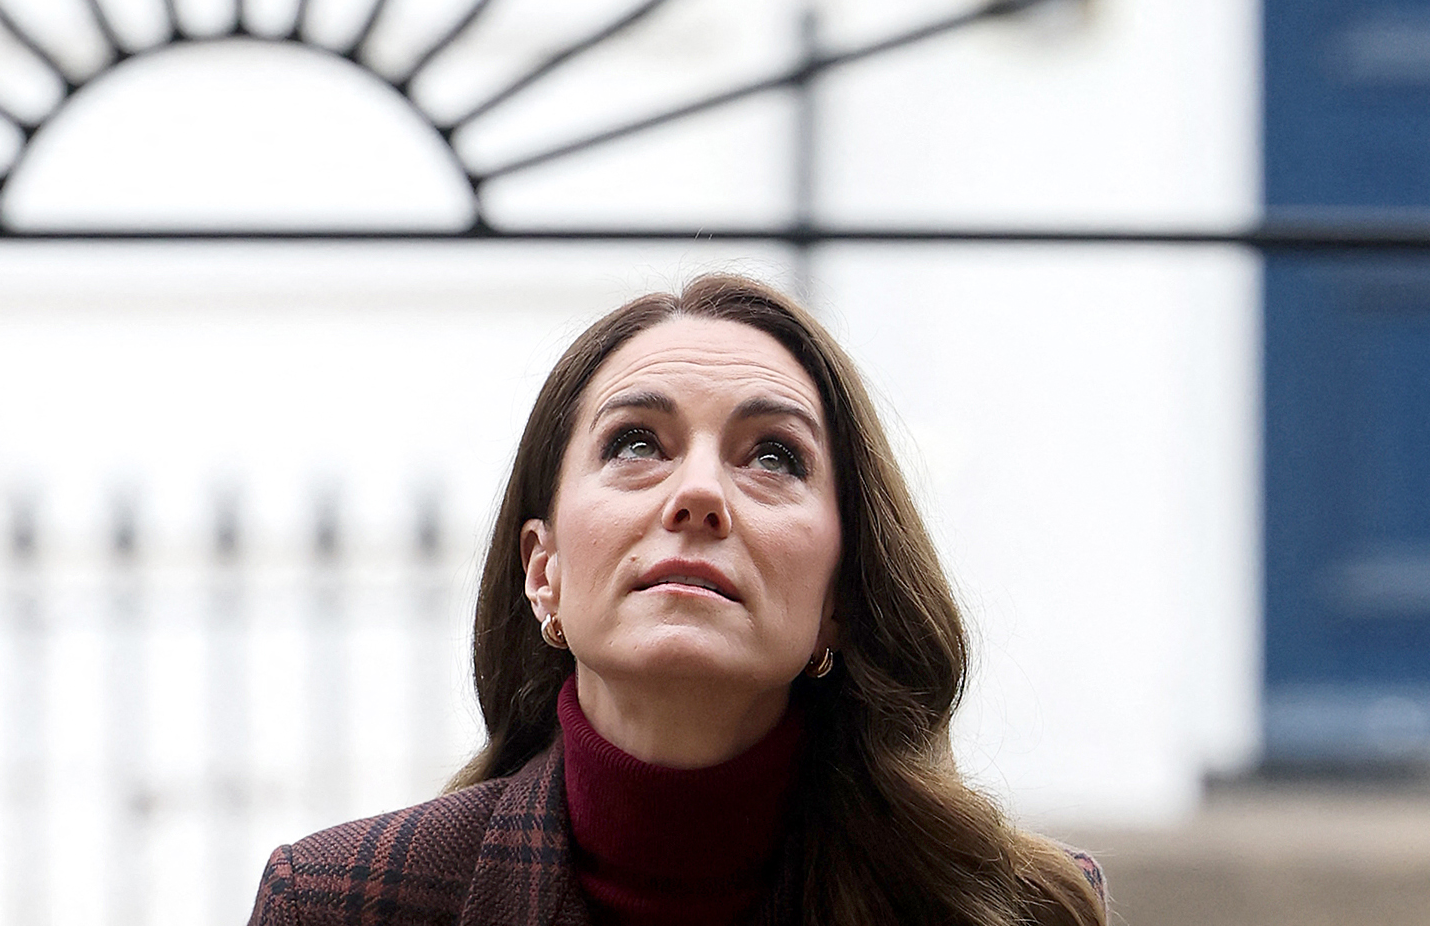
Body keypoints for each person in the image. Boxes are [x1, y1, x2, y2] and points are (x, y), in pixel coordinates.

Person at [248, 272, 1105, 926]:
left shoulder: (1019, 910)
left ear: (841, 598)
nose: (697, 494)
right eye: (635, 444)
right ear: (543, 571)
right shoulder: (338, 902)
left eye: (772, 456)